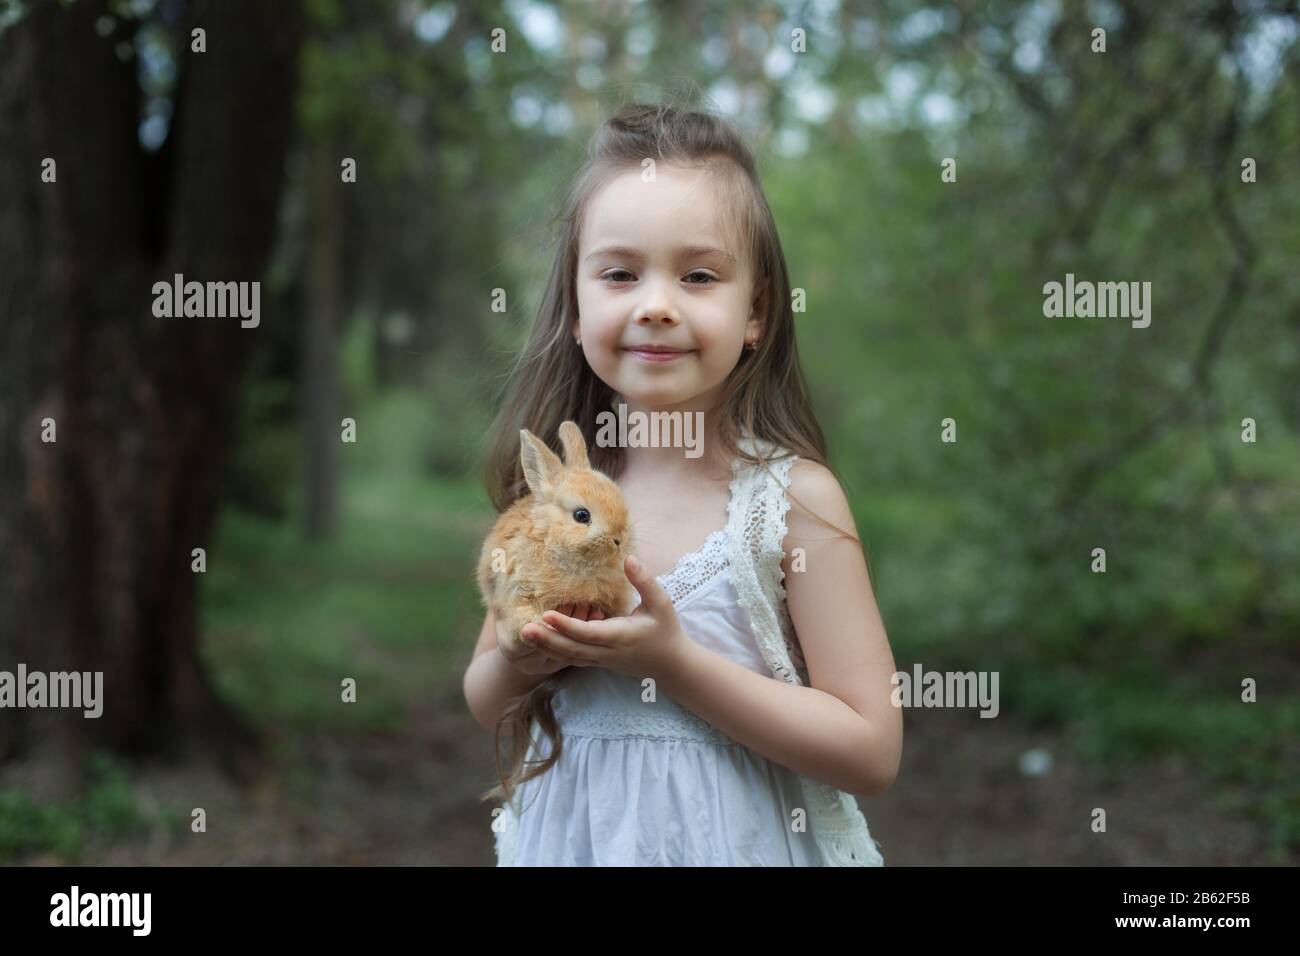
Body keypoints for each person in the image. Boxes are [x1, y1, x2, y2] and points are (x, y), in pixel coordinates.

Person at [462, 101, 902, 866]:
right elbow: (485, 695)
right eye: (620, 273)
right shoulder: (559, 501)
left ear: (756, 310)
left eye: (699, 276)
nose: (657, 305)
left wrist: (675, 664)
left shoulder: (792, 502)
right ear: (575, 305)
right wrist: (522, 657)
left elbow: (871, 749)